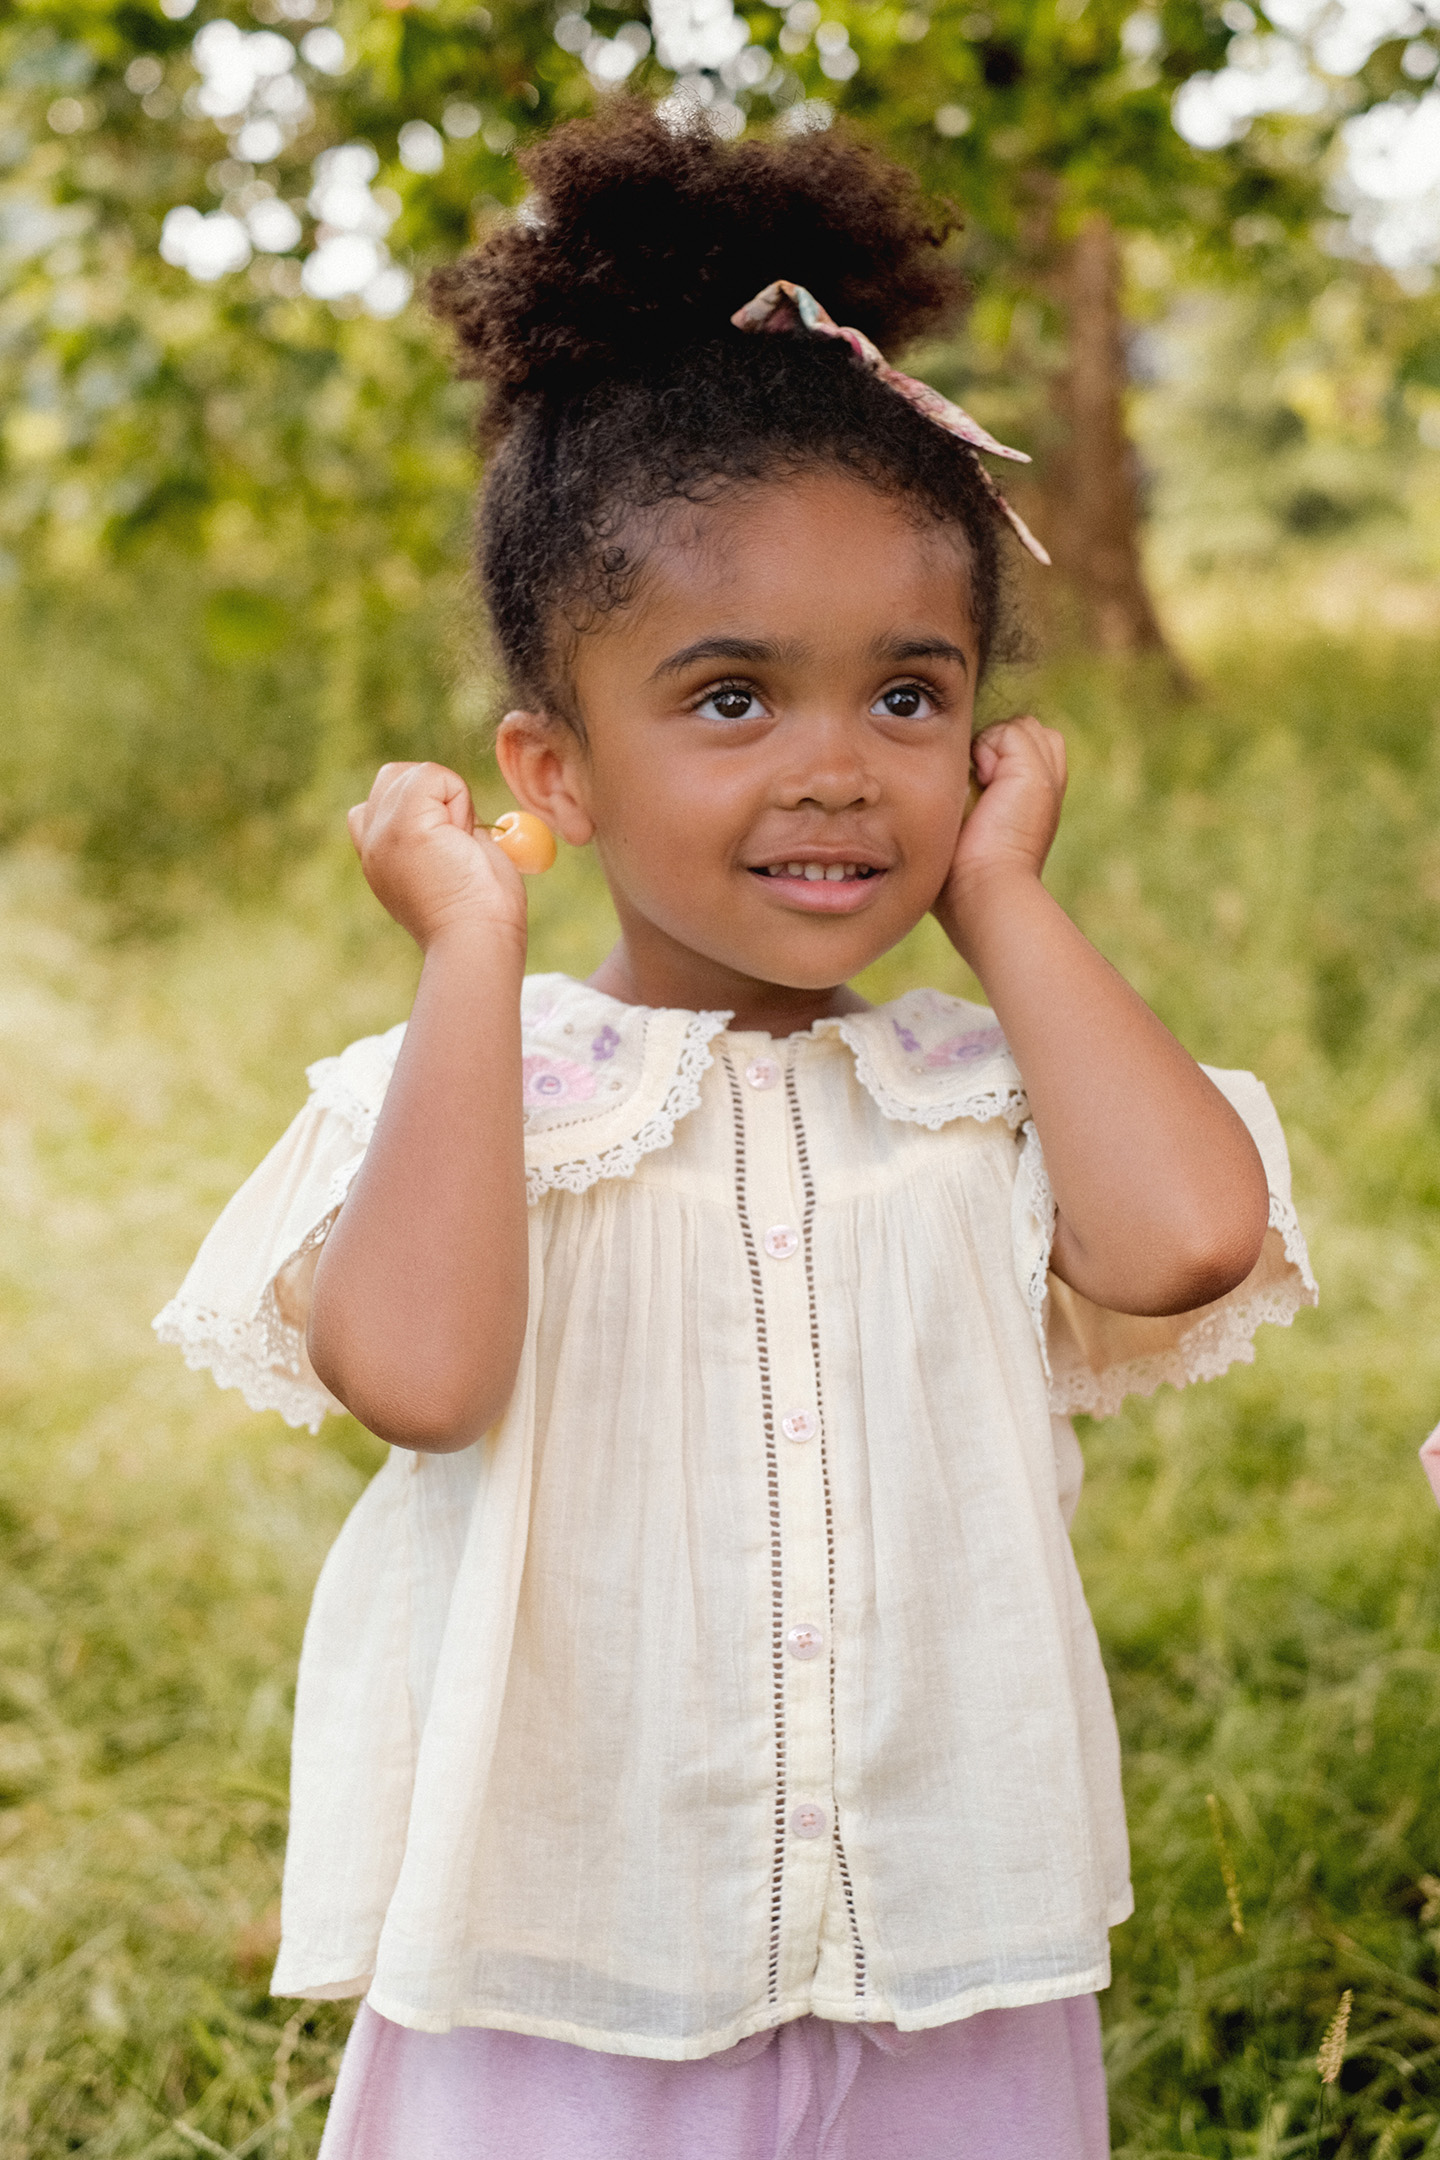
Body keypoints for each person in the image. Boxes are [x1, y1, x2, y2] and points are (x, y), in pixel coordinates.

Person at [155, 104, 1317, 2160]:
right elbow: (418, 1376)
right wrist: (470, 953)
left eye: (908, 697)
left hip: (951, 1961)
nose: (838, 770)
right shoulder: (486, 1097)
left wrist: (1003, 899)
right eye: (729, 699)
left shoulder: (974, 1096)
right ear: (555, 769)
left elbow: (1189, 1244)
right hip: (565, 1972)